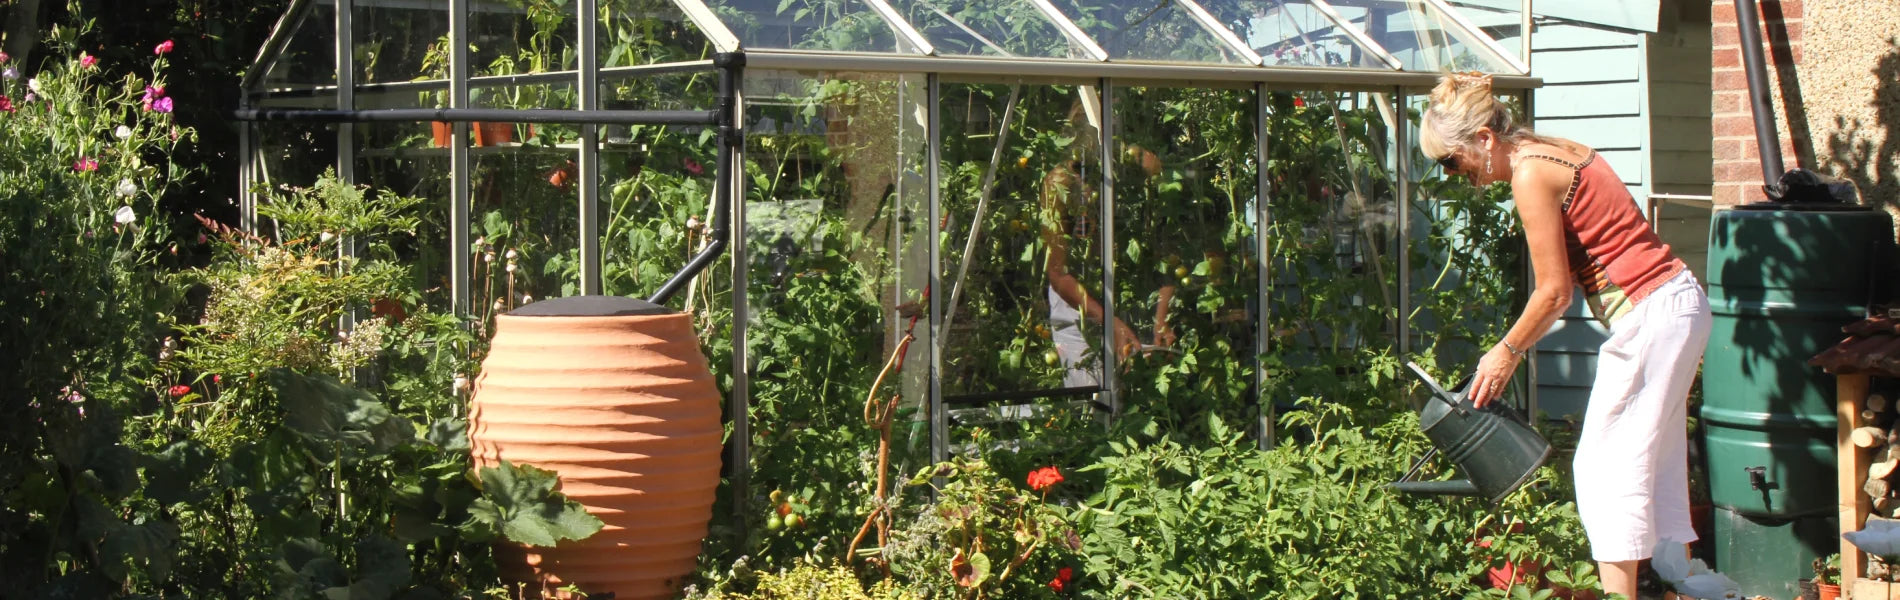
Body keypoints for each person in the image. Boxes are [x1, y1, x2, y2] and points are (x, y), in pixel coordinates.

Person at [1418, 72, 1711, 599]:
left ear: (1485, 139)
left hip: (1653, 309)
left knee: (1602, 465)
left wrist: (1504, 353)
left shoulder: (1529, 175)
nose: (1453, 173)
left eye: (1451, 160)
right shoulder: (1553, 149)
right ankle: (1682, 583)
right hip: (1677, 302)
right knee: (1656, 456)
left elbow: (1555, 292)